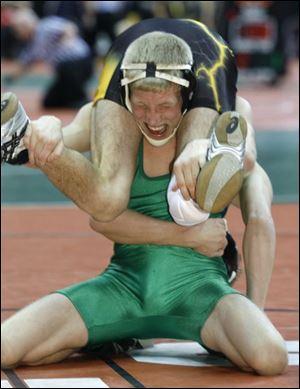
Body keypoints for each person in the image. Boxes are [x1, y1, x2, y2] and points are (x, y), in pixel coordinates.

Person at [1, 29, 287, 375]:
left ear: (187, 96)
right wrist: (43, 127)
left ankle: (100, 337)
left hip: (200, 294)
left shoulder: (229, 116)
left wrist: (253, 308)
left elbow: (254, 191)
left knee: (270, 356)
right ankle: (105, 337)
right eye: (141, 105)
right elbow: (101, 219)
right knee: (6, 346)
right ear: (126, 95)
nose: (153, 119)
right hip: (122, 288)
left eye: (165, 105)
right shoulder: (109, 120)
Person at [5, 8, 93, 108]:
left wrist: (67, 39)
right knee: (49, 102)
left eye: (17, 29)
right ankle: (71, 100)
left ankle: (82, 99)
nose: (17, 34)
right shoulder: (32, 45)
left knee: (65, 67)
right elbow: (24, 65)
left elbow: (70, 26)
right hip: (64, 71)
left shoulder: (46, 26)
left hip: (80, 63)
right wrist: (9, 79)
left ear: (25, 25)